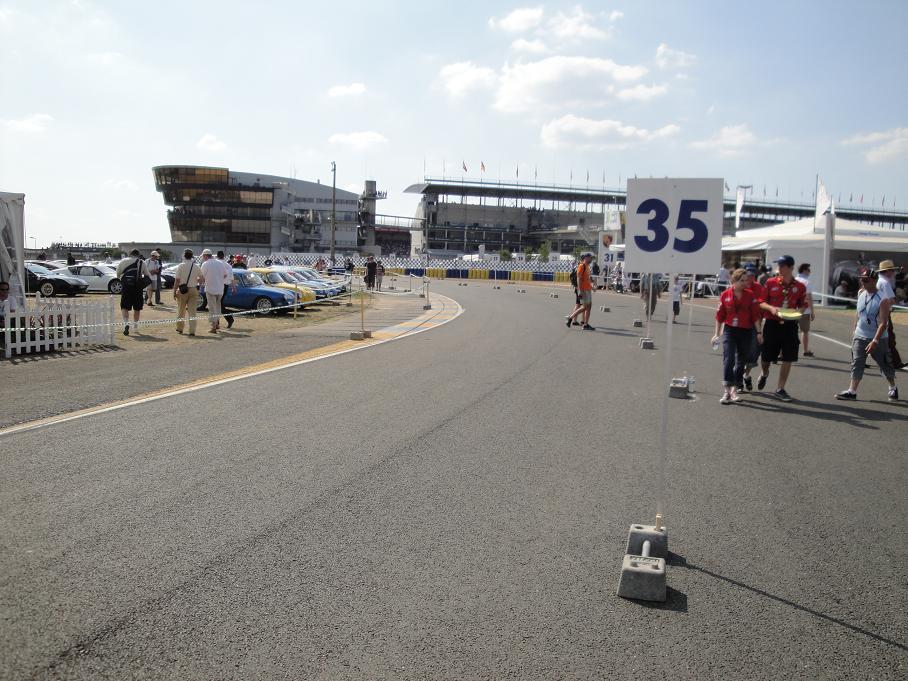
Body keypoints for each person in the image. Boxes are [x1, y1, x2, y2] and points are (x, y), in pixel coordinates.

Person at [836, 267, 898, 402]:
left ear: (874, 281)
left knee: (884, 363)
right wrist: (855, 329)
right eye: (861, 280)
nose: (862, 282)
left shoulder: (883, 299)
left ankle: (893, 386)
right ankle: (852, 391)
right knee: (857, 362)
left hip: (878, 338)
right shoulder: (861, 293)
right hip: (860, 334)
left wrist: (875, 341)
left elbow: (883, 323)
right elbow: (858, 313)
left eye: (866, 280)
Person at [756, 255, 808, 402]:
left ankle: (780, 388)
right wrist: (771, 308)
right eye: (778, 265)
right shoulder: (770, 282)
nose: (779, 268)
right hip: (772, 323)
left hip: (790, 324)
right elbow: (761, 302)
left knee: (788, 356)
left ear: (791, 268)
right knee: (766, 358)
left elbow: (803, 305)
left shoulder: (800, 286)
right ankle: (764, 373)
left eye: (782, 266)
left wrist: (798, 312)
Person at [711, 269, 764, 404]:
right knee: (729, 359)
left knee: (741, 361)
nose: (745, 283)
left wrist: (759, 333)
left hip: (746, 331)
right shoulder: (725, 295)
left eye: (746, 280)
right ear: (734, 281)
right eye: (742, 280)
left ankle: (735, 390)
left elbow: (755, 316)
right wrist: (716, 334)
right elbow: (719, 316)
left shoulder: (750, 295)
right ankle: (727, 390)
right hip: (730, 330)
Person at [741, 264, 767, 392]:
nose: (750, 277)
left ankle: (746, 375)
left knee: (753, 353)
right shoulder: (739, 287)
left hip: (755, 325)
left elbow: (763, 304)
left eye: (752, 275)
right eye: (748, 274)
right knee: (739, 353)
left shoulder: (759, 288)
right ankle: (738, 382)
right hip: (740, 325)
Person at [876, 259, 904, 368]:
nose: (893, 272)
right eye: (891, 270)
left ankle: (860, 357)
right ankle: (895, 362)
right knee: (890, 338)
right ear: (887, 271)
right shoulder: (885, 283)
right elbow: (891, 300)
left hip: (877, 312)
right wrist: (897, 299)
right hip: (884, 313)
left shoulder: (878, 281)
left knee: (877, 337)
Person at [115, 249, 149, 336]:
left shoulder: (123, 261)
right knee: (137, 308)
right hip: (137, 287)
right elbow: (147, 275)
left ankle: (126, 324)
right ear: (138, 255)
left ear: (130, 254)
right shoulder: (141, 262)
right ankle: (135, 327)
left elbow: (118, 273)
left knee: (124, 306)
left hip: (126, 287)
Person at [173, 249, 201, 336]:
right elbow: (201, 278)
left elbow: (177, 280)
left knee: (181, 310)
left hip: (182, 289)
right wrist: (197, 285)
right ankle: (192, 330)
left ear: (184, 256)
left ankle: (180, 328)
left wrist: (174, 290)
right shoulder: (196, 266)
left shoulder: (181, 266)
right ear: (192, 256)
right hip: (193, 289)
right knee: (192, 311)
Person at [566, 252, 595, 330]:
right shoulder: (582, 266)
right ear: (586, 258)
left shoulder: (587, 267)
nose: (591, 259)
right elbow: (578, 278)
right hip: (583, 290)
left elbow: (587, 280)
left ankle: (585, 324)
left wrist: (592, 288)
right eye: (590, 258)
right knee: (584, 307)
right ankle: (570, 318)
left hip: (588, 289)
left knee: (589, 307)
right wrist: (579, 290)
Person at [199, 249, 224, 334]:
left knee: (212, 308)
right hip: (220, 288)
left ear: (206, 256)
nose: (203, 258)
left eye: (203, 256)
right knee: (217, 307)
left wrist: (200, 284)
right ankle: (216, 324)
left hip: (210, 289)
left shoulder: (205, 264)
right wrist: (218, 279)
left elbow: (202, 277)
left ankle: (213, 327)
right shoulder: (220, 263)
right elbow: (225, 275)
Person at [795, 263, 816, 357]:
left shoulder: (794, 280)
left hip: (793, 309)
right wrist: (812, 311)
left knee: (788, 330)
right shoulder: (807, 281)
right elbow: (809, 297)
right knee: (805, 331)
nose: (810, 272)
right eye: (808, 270)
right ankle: (805, 350)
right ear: (804, 270)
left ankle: (782, 352)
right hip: (804, 310)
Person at [216, 251, 237, 329]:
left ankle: (228, 319)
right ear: (223, 256)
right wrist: (234, 287)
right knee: (218, 304)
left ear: (217, 256)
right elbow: (232, 278)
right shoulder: (228, 265)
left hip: (218, 285)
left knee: (218, 304)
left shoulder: (216, 264)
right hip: (225, 286)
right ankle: (217, 322)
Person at [565, 260, 583, 327]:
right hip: (579, 289)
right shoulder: (578, 271)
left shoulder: (575, 270)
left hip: (577, 289)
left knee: (578, 305)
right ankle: (580, 321)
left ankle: (575, 321)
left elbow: (571, 278)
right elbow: (573, 278)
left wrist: (574, 286)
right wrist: (576, 287)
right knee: (583, 306)